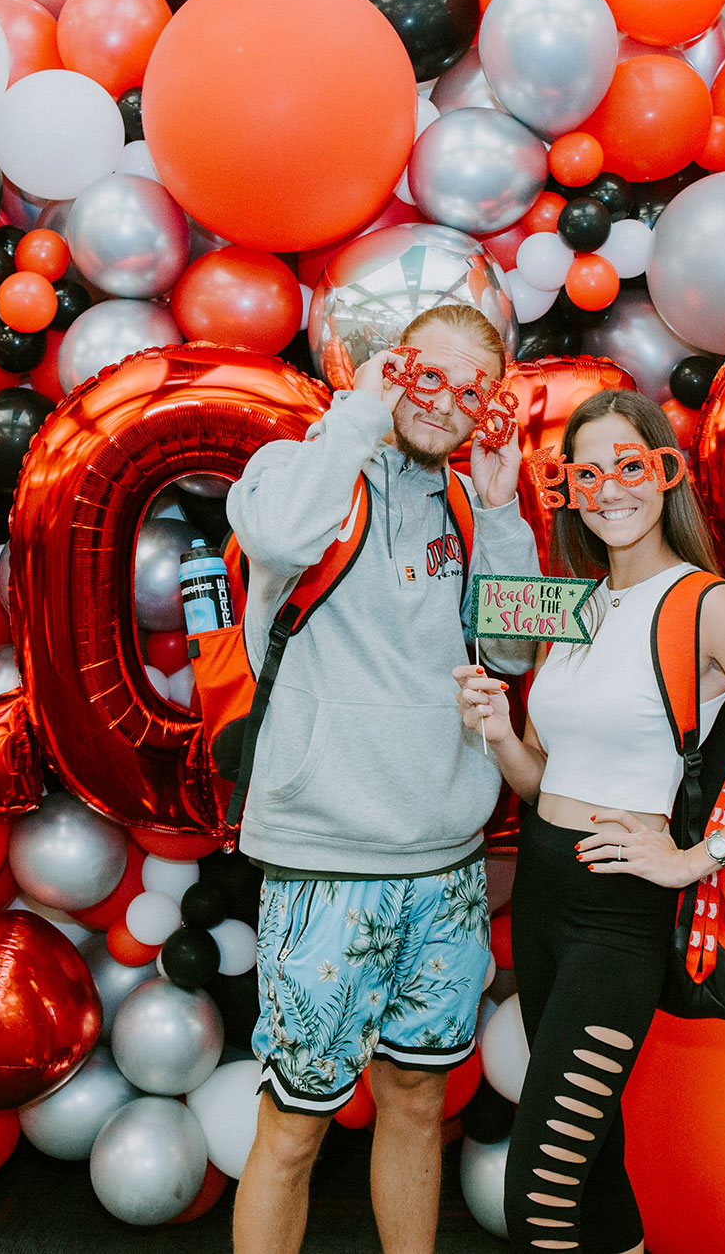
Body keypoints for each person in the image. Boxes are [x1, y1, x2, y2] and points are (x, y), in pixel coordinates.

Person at [453, 389, 725, 1254]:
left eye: (631, 465)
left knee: (538, 1199)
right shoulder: (570, 605)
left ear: (666, 475)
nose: (609, 488)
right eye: (586, 473)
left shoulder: (707, 605)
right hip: (546, 907)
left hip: (616, 916)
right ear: (568, 492)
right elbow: (540, 775)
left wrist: (694, 858)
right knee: (594, 1174)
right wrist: (493, 734)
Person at [226, 303, 542, 1254]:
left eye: (471, 389)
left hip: (444, 864)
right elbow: (276, 537)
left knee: (415, 1099)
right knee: (292, 1128)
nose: (444, 402)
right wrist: (359, 412)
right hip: (327, 856)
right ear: (385, 370)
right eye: (425, 374)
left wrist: (497, 510)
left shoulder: (465, 502)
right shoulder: (302, 472)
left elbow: (515, 650)